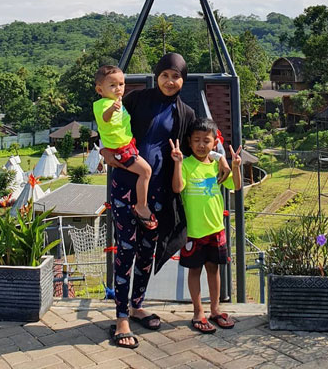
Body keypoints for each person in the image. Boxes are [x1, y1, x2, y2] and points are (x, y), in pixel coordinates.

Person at [100, 53, 230, 349]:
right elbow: (107, 131)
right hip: (126, 187)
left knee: (148, 251)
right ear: (156, 75)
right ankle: (121, 317)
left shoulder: (184, 112)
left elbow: (200, 142)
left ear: (183, 79)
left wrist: (219, 158)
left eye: (176, 76)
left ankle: (136, 306)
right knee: (126, 249)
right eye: (165, 75)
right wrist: (103, 152)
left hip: (158, 193)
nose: (170, 81)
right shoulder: (135, 100)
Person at [170, 117, 242, 333]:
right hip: (193, 232)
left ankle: (215, 309)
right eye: (197, 140)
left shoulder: (216, 166)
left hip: (216, 229)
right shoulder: (188, 164)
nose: (201, 145)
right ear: (189, 142)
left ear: (214, 143)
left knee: (214, 269)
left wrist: (236, 166)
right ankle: (198, 312)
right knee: (195, 271)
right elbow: (177, 188)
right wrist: (178, 163)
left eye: (206, 141)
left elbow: (236, 186)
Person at [92, 65, 156, 229]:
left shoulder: (117, 102)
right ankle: (141, 205)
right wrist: (112, 110)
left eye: (121, 84)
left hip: (127, 146)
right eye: (112, 85)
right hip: (121, 150)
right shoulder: (103, 104)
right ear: (100, 89)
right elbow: (105, 119)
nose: (118, 88)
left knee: (144, 172)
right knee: (146, 171)